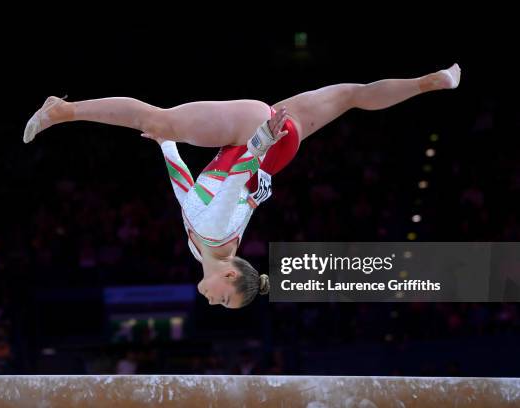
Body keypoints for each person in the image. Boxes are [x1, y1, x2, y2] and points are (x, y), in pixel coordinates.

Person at [24, 64, 461, 308]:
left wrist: (168, 150)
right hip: (253, 139)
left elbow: (187, 196)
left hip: (277, 148)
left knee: (350, 95)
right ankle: (64, 111)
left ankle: (431, 83)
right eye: (224, 301)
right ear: (231, 276)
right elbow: (234, 180)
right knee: (153, 117)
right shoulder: (216, 236)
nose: (214, 303)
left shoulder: (205, 247)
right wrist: (259, 140)